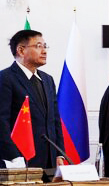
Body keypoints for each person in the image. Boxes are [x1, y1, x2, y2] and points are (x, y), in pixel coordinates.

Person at [0, 30, 63, 171]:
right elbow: (1, 122)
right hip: (19, 162)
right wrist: (14, 157)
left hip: (50, 161)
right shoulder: (5, 78)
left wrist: (59, 154)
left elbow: (55, 120)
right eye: (38, 46)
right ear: (21, 50)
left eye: (45, 46)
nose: (44, 51)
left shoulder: (48, 80)